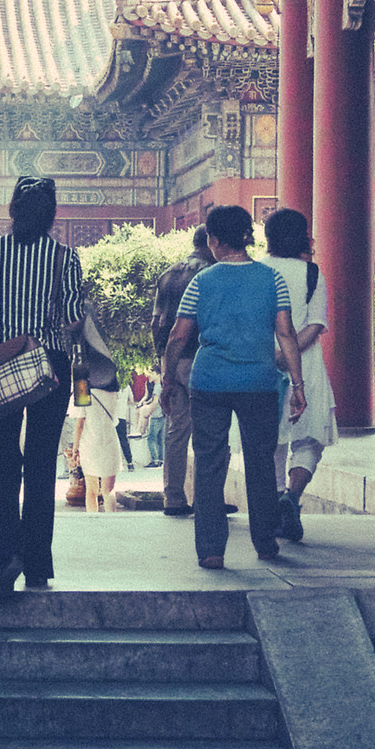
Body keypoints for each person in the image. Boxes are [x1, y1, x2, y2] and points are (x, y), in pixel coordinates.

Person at [0, 176, 87, 595]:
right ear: (52, 215)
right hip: (48, 366)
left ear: (13, 209)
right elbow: (72, 316)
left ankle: (5, 553)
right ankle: (36, 563)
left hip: (0, 364)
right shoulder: (64, 258)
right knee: (39, 466)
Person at [165, 204, 303, 569]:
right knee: (260, 463)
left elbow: (179, 336)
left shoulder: (202, 281)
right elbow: (286, 333)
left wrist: (167, 379)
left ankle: (211, 550)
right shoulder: (271, 279)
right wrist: (299, 384)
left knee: (210, 464)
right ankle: (265, 543)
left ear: (213, 240)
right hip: (259, 383)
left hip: (209, 383)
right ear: (246, 237)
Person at [262, 207, 335, 542]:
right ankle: (292, 496)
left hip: (263, 365)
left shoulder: (257, 270)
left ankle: (277, 499)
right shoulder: (312, 273)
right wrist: (289, 354)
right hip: (306, 366)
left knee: (271, 442)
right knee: (308, 440)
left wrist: (274, 356)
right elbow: (316, 324)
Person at [150, 227, 214, 515]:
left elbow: (156, 323)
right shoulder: (212, 272)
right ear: (212, 243)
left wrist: (164, 364)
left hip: (174, 359)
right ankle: (206, 497)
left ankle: (173, 497)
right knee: (211, 431)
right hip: (203, 358)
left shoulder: (167, 274)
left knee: (177, 430)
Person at [73, 377, 125, 511]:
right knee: (108, 490)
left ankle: (92, 524)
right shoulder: (114, 391)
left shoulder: (83, 389)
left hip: (90, 444)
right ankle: (111, 524)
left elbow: (80, 424)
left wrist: (75, 448)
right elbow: (115, 419)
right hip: (110, 441)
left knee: (91, 490)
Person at [141, 374, 165, 469]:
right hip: (163, 414)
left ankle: (155, 461)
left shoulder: (157, 387)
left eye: (152, 372)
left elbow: (155, 402)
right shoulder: (161, 385)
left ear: (157, 374)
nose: (149, 375)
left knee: (151, 438)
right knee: (160, 439)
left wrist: (148, 413)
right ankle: (161, 460)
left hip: (156, 415)